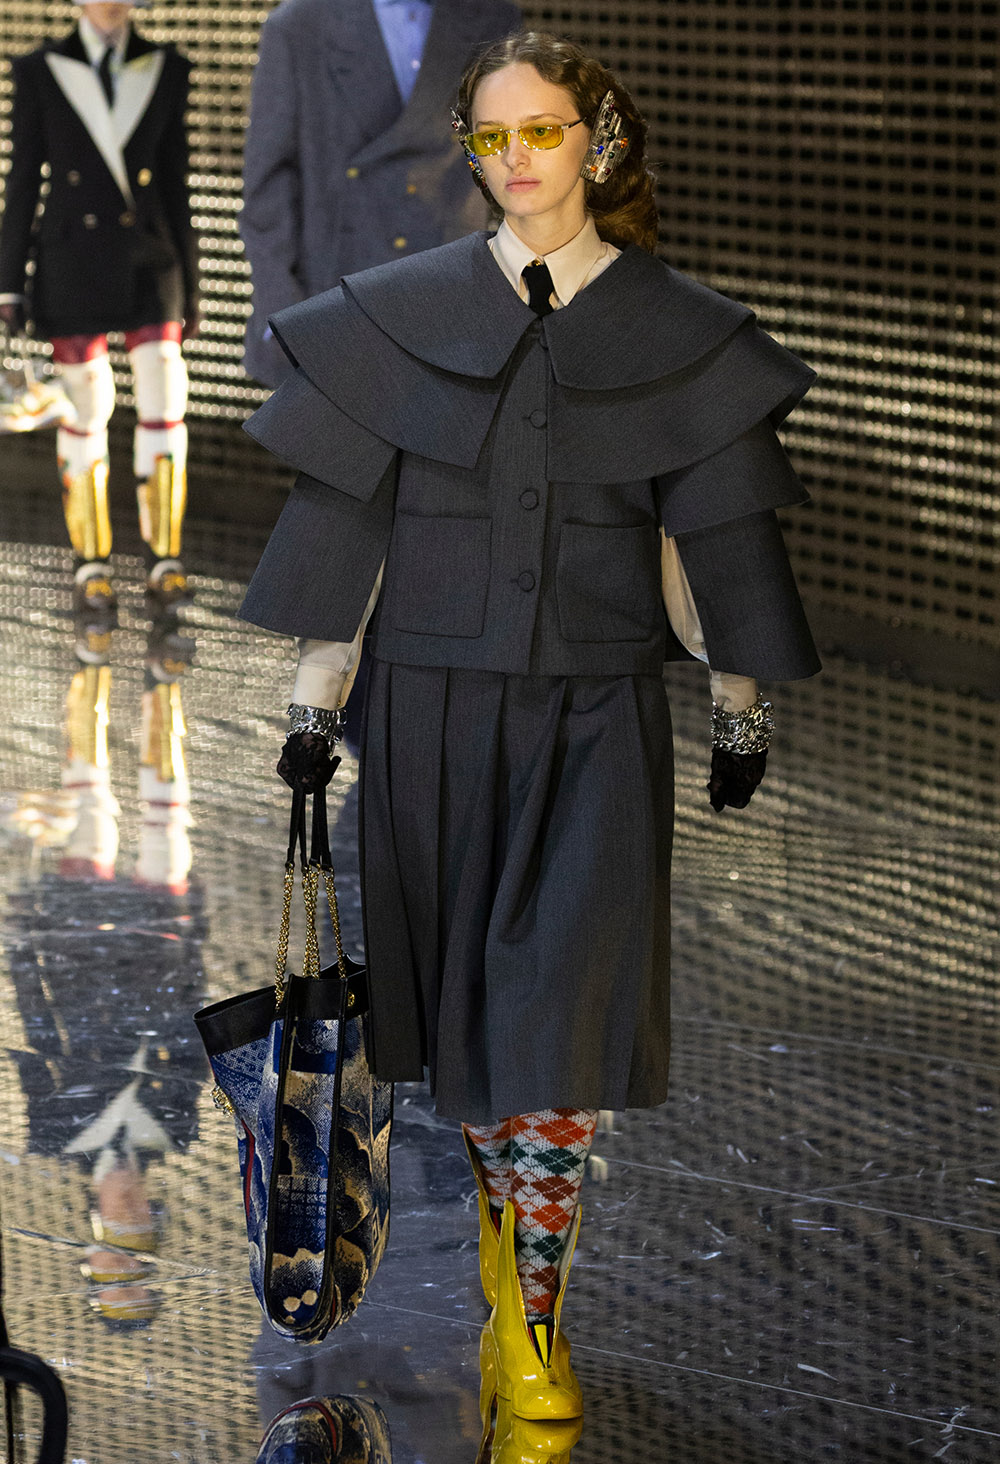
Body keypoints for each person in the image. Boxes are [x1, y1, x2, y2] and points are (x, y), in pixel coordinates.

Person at [237, 30, 821, 1441]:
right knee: (473, 1044)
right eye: (491, 137)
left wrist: (739, 703)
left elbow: (706, 536)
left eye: (541, 131)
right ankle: (508, 1279)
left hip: (596, 716)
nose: (514, 160)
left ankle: (536, 1321)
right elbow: (355, 527)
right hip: (429, 713)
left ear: (597, 144)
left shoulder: (680, 329)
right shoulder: (399, 317)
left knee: (556, 1028)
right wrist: (315, 706)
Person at [0, 0, 199, 658]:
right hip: (70, 258)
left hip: (151, 257)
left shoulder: (167, 67)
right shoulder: (39, 69)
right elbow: (24, 178)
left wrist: (193, 286)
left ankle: (165, 563)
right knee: (85, 407)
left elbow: (175, 184)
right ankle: (91, 567)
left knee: (166, 396)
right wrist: (8, 281)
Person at [240, 0, 521, 388]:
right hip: (333, 302)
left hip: (453, 298)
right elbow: (267, 184)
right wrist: (284, 312)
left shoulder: (494, 16)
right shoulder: (300, 25)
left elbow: (514, 161)